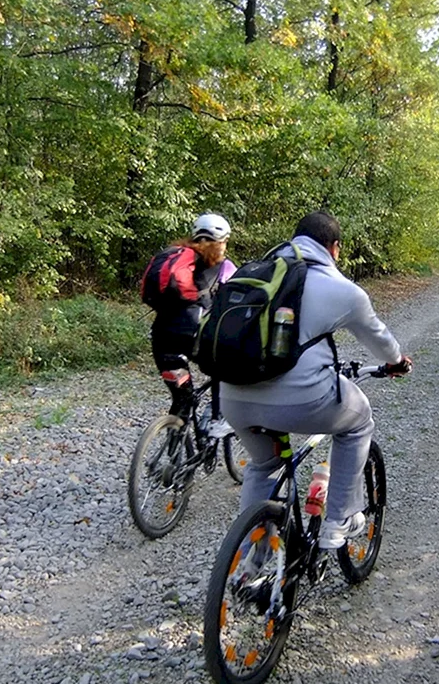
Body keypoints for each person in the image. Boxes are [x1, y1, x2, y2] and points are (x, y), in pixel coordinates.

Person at [220, 210, 412, 549]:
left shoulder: (254, 273)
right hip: (302, 401)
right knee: (358, 420)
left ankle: (254, 562)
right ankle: (339, 520)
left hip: (233, 396)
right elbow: (380, 339)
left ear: (295, 239)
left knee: (264, 466)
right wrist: (397, 361)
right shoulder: (342, 289)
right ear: (334, 248)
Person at [149, 213, 236, 429]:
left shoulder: (175, 256)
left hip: (162, 341)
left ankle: (174, 450)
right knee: (223, 371)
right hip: (196, 339)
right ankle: (217, 421)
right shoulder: (226, 268)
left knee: (182, 397)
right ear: (222, 241)